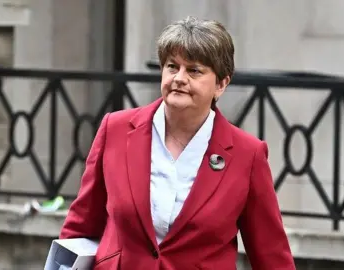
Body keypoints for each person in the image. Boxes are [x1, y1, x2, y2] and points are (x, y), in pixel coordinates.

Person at [60, 16, 295, 270]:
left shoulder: (247, 155)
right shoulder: (115, 129)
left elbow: (272, 257)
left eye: (194, 70)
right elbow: (80, 227)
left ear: (221, 84)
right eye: (172, 66)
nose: (179, 78)